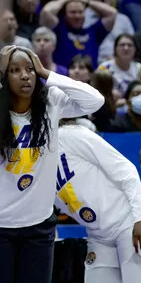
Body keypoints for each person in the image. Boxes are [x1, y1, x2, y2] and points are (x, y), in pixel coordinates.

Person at [0, 45, 104, 283]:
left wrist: (47, 73)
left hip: (39, 228)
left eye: (29, 69)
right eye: (14, 70)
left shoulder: (51, 104)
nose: (25, 75)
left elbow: (95, 100)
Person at [55, 119, 141, 283]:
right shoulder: (36, 161)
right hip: (98, 234)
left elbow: (126, 169)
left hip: (131, 219)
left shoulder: (69, 134)